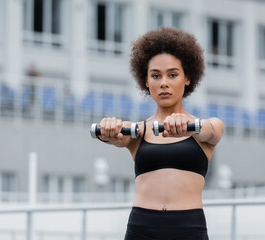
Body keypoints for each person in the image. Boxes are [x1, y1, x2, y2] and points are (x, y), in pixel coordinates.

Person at [96, 27, 224, 240]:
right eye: (156, 75)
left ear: (187, 78)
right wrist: (107, 130)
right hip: (141, 228)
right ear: (146, 81)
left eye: (172, 75)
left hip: (189, 229)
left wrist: (187, 124)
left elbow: (210, 132)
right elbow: (118, 137)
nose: (163, 82)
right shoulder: (138, 131)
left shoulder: (208, 126)